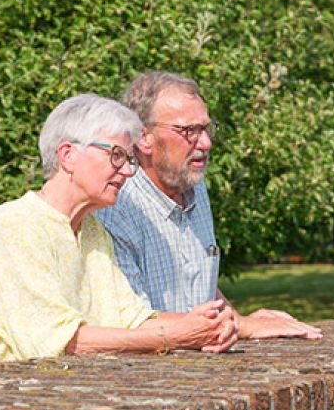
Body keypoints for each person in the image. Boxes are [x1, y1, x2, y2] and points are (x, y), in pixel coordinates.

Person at [0, 94, 238, 372]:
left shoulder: (93, 230)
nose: (129, 171)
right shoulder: (13, 227)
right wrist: (179, 334)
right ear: (67, 155)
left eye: (130, 159)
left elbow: (132, 319)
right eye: (117, 155)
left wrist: (210, 325)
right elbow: (63, 343)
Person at [98, 71, 321, 340]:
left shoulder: (193, 187)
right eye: (188, 131)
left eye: (205, 128)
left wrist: (234, 316)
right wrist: (241, 326)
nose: (205, 143)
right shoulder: (115, 207)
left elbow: (196, 285)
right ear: (143, 137)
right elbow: (133, 320)